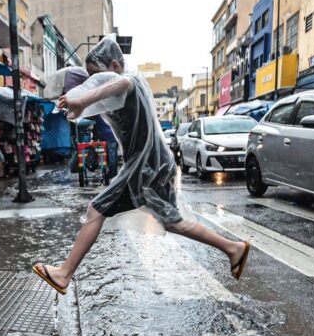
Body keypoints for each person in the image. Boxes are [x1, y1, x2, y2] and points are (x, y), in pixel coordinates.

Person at [32, 36, 251, 295]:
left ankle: (64, 273)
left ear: (114, 64)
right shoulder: (114, 91)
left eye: (98, 76)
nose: (95, 82)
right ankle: (233, 248)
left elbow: (120, 83)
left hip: (145, 165)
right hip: (153, 163)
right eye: (91, 78)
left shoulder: (130, 81)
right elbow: (96, 100)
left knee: (96, 209)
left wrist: (82, 100)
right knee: (172, 221)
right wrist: (78, 103)